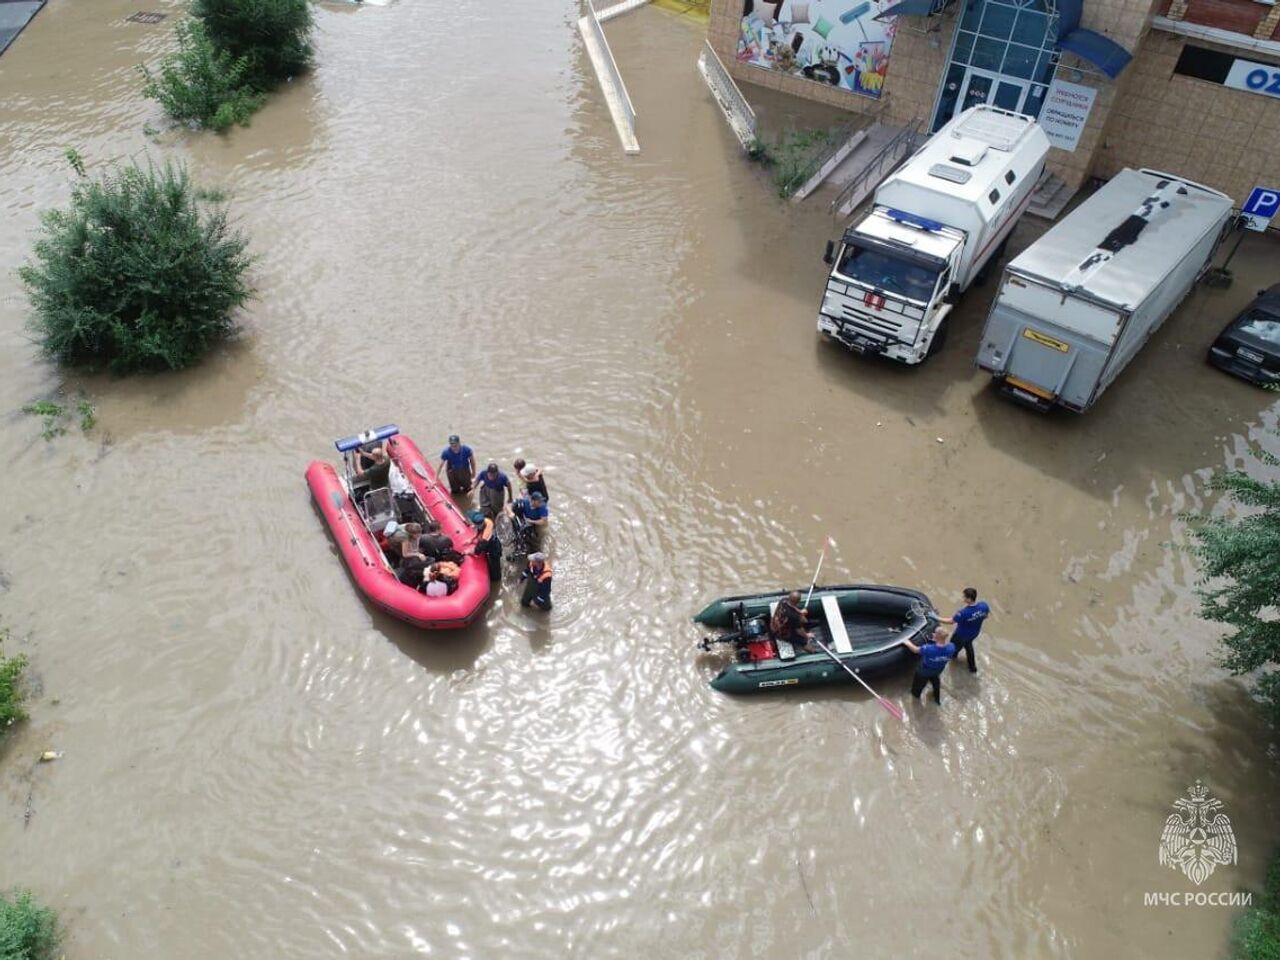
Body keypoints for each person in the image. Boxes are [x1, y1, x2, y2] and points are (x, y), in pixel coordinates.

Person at [937, 587, 990, 674]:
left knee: (953, 649)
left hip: (960, 636)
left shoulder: (963, 612)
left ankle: (952, 660)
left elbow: (951, 621)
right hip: (974, 633)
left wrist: (937, 618)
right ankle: (972, 668)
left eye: (964, 597)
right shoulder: (984, 606)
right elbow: (986, 616)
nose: (963, 598)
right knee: (968, 646)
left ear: (969, 599)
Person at [903, 629, 957, 704]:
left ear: (936, 636)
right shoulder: (952, 647)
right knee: (935, 679)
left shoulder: (928, 649)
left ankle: (915, 699)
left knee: (916, 689)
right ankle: (937, 699)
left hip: (924, 671)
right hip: (939, 669)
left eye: (934, 633)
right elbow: (942, 648)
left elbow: (915, 650)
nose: (933, 634)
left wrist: (907, 642)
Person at [470, 509, 502, 582]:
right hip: (491, 544)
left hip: (494, 550)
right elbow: (478, 531)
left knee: (495, 566)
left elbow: (478, 549)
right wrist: (472, 539)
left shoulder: (486, 535)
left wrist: (470, 552)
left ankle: (496, 578)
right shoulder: (485, 521)